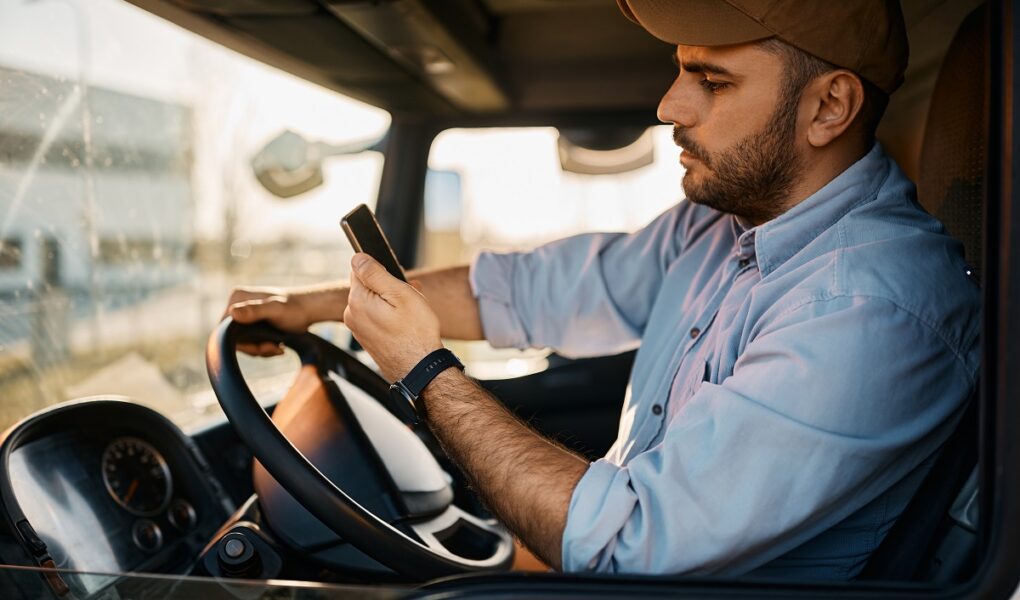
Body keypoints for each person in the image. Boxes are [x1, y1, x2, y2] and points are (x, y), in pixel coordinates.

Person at [224, 0, 980, 580]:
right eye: (682, 70)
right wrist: (317, 305)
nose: (670, 106)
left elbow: (626, 542)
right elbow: (530, 291)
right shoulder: (722, 227)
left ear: (829, 108)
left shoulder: (868, 308)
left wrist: (424, 372)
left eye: (712, 81)